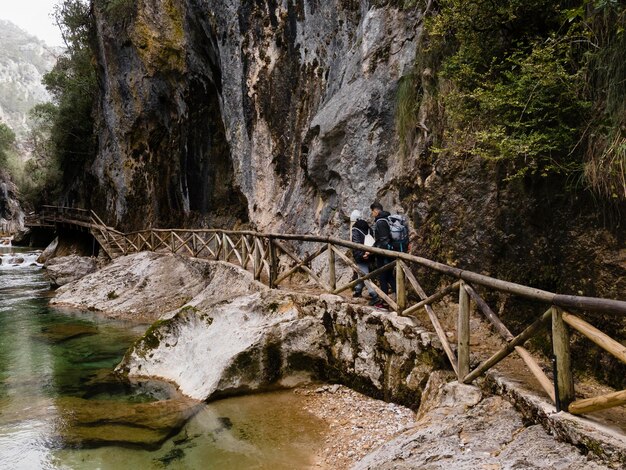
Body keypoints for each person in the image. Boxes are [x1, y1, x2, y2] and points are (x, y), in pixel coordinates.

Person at [350, 210, 379, 304]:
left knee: (364, 275)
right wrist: (369, 253)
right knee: (362, 272)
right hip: (370, 253)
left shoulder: (355, 229)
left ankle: (373, 294)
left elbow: (356, 243)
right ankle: (358, 290)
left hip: (361, 254)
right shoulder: (368, 227)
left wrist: (361, 254)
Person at [370, 202, 396, 296]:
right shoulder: (387, 219)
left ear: (376, 211)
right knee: (389, 276)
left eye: (372, 211)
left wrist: (373, 249)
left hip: (384, 253)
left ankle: (384, 301)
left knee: (383, 276)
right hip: (389, 251)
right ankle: (398, 296)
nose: (372, 214)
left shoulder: (380, 222)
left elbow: (383, 239)